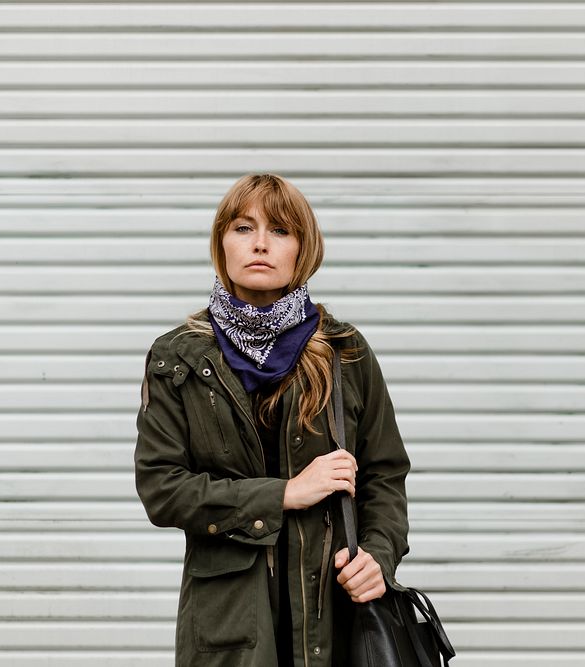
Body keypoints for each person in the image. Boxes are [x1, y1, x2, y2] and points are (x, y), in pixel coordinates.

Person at [134, 173, 411, 666]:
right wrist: (283, 494)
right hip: (228, 626)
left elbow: (383, 475)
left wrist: (378, 557)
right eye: (243, 228)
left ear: (304, 247)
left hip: (333, 612)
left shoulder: (344, 352)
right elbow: (162, 488)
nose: (261, 244)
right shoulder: (176, 357)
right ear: (222, 242)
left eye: (281, 230)